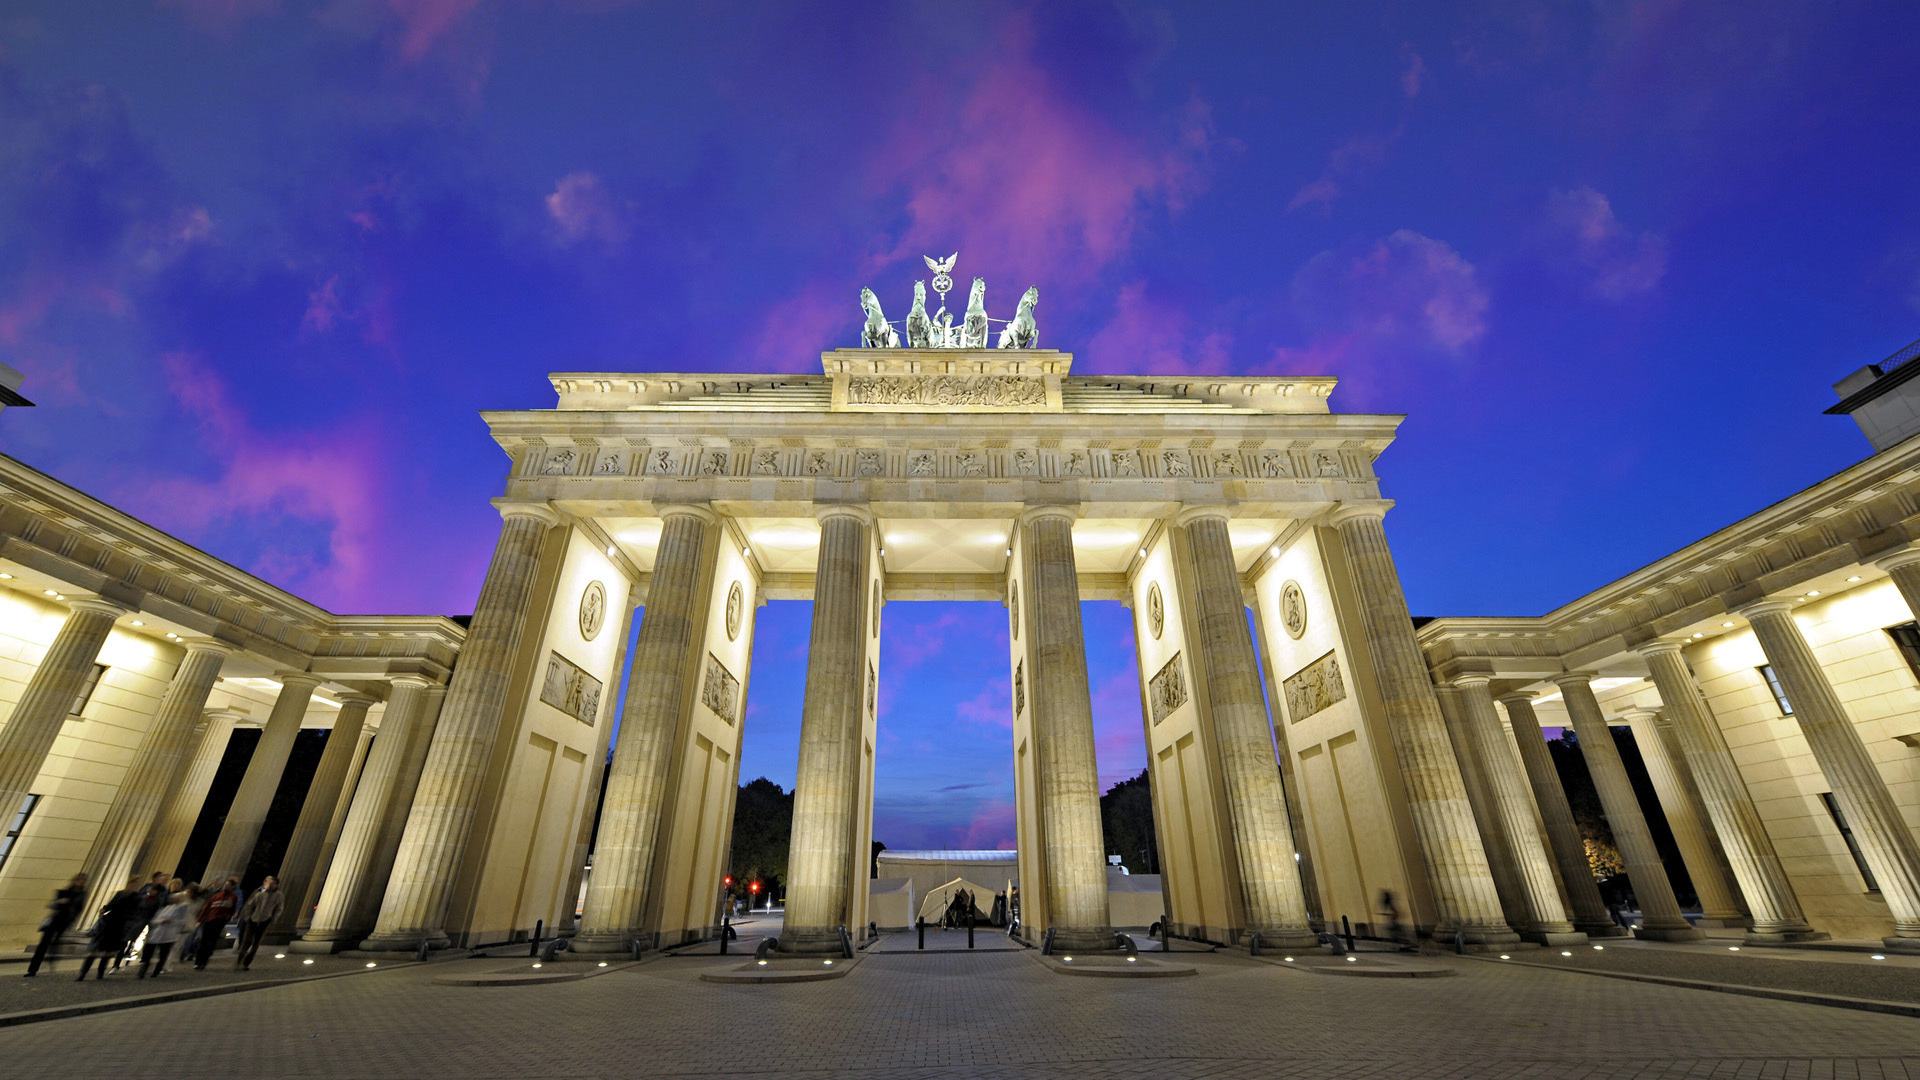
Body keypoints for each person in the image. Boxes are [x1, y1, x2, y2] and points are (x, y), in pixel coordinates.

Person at [76, 876, 144, 981]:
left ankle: (100, 973)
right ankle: (83, 973)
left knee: (108, 952)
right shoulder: (121, 893)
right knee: (94, 950)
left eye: (136, 883)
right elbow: (111, 905)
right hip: (109, 923)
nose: (134, 885)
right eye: (133, 882)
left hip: (120, 925)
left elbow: (135, 912)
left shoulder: (137, 897)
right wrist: (104, 909)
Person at [23, 872, 88, 977]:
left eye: (83, 880)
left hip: (65, 922)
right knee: (43, 944)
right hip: (55, 920)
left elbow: (79, 909)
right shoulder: (65, 891)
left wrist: (71, 917)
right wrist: (60, 902)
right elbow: (53, 904)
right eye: (79, 880)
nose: (80, 882)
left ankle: (51, 959)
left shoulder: (82, 894)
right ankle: (32, 969)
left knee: (54, 942)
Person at [118, 872, 170, 971]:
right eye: (161, 878)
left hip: (153, 919)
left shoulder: (163, 892)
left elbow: (163, 905)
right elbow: (139, 898)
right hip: (141, 917)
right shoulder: (147, 888)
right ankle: (127, 957)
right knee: (132, 938)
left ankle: (144, 958)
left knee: (149, 940)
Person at [139, 888, 191, 978]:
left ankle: (157, 971)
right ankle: (144, 968)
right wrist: (161, 921)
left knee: (163, 954)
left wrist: (172, 922)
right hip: (158, 933)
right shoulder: (166, 908)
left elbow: (182, 921)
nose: (174, 900)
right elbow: (155, 919)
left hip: (169, 935)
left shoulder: (182, 909)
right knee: (149, 951)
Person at [233, 875, 282, 970]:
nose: (269, 885)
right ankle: (239, 961)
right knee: (246, 941)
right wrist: (248, 917)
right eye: (267, 882)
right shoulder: (259, 894)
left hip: (265, 920)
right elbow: (249, 906)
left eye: (272, 883)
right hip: (253, 919)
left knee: (256, 943)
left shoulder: (279, 896)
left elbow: (279, 909)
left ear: (276, 885)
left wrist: (273, 919)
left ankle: (246, 963)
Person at [193, 876, 241, 970]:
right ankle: (198, 962)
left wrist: (227, 918)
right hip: (209, 920)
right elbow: (206, 907)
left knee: (211, 942)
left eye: (228, 885)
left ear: (232, 887)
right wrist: (199, 920)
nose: (226, 886)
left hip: (219, 922)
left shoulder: (233, 897)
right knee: (204, 941)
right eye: (225, 885)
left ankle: (203, 962)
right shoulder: (216, 896)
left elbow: (233, 909)